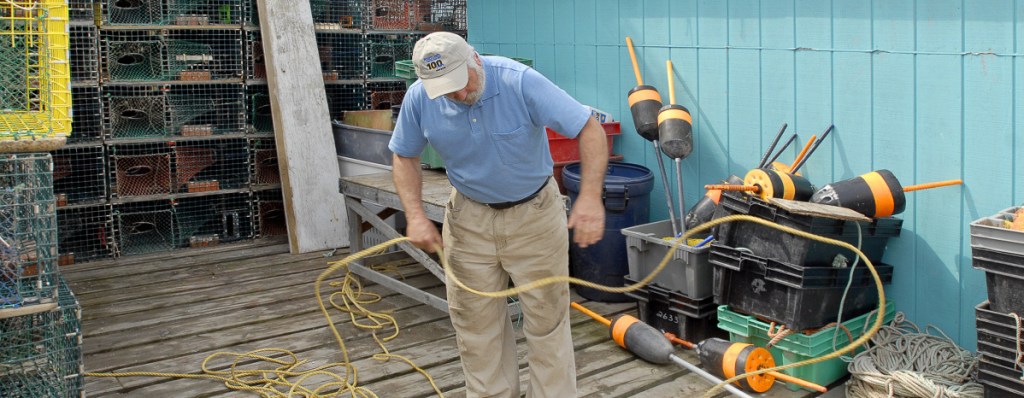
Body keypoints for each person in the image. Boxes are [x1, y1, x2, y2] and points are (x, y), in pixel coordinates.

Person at [387, 31, 609, 398]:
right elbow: (404, 155)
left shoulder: (518, 81)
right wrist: (414, 214)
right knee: (475, 324)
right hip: (468, 219)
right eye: (446, 89)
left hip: (535, 216)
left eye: (462, 81)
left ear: (475, 58)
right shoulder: (419, 98)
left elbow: (589, 128)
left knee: (547, 322)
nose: (459, 94)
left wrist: (589, 197)